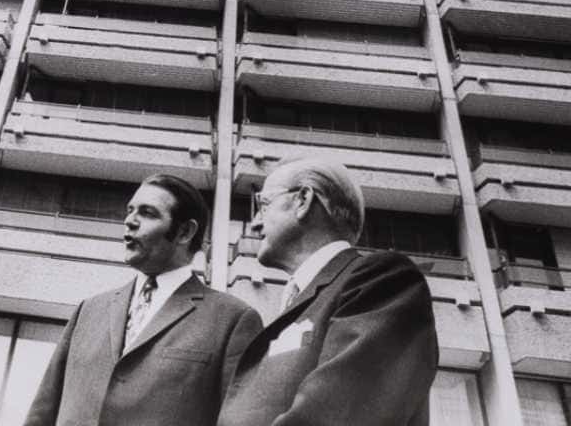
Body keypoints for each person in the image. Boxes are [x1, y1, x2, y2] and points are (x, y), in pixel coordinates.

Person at [25, 173, 263, 426]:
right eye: (130, 211)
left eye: (148, 213)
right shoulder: (89, 310)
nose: (129, 221)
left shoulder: (233, 320)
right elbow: (43, 412)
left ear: (185, 232)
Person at [217, 157, 439, 426]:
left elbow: (337, 414)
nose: (254, 223)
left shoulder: (381, 281)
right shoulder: (302, 300)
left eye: (263, 205)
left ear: (303, 200)